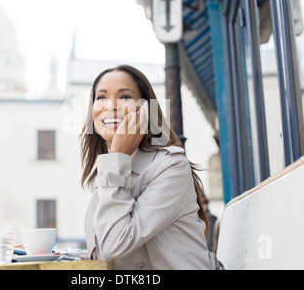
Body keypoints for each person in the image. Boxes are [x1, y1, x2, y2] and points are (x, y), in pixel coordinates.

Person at [80, 64, 223, 270]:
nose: (110, 106)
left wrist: (118, 156)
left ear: (145, 110)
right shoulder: (107, 170)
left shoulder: (170, 166)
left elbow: (114, 245)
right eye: (101, 97)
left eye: (125, 97)